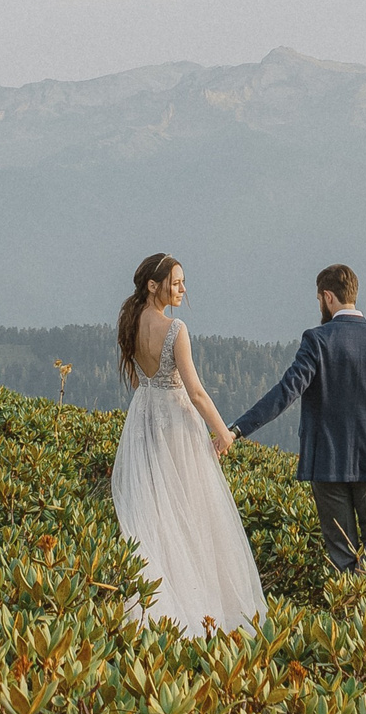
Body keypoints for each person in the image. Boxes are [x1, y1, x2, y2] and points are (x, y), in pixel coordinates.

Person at [108, 252, 266, 631]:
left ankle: (154, 603)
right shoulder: (175, 329)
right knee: (193, 513)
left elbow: (137, 378)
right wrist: (222, 432)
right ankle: (200, 609)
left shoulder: (130, 322)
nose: (182, 289)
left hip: (143, 418)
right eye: (176, 282)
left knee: (156, 511)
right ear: (153, 285)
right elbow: (195, 391)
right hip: (177, 425)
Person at [230, 263, 366, 573]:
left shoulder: (317, 340)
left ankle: (347, 603)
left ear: (327, 297)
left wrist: (238, 428)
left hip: (327, 461)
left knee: (341, 550)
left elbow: (286, 392)